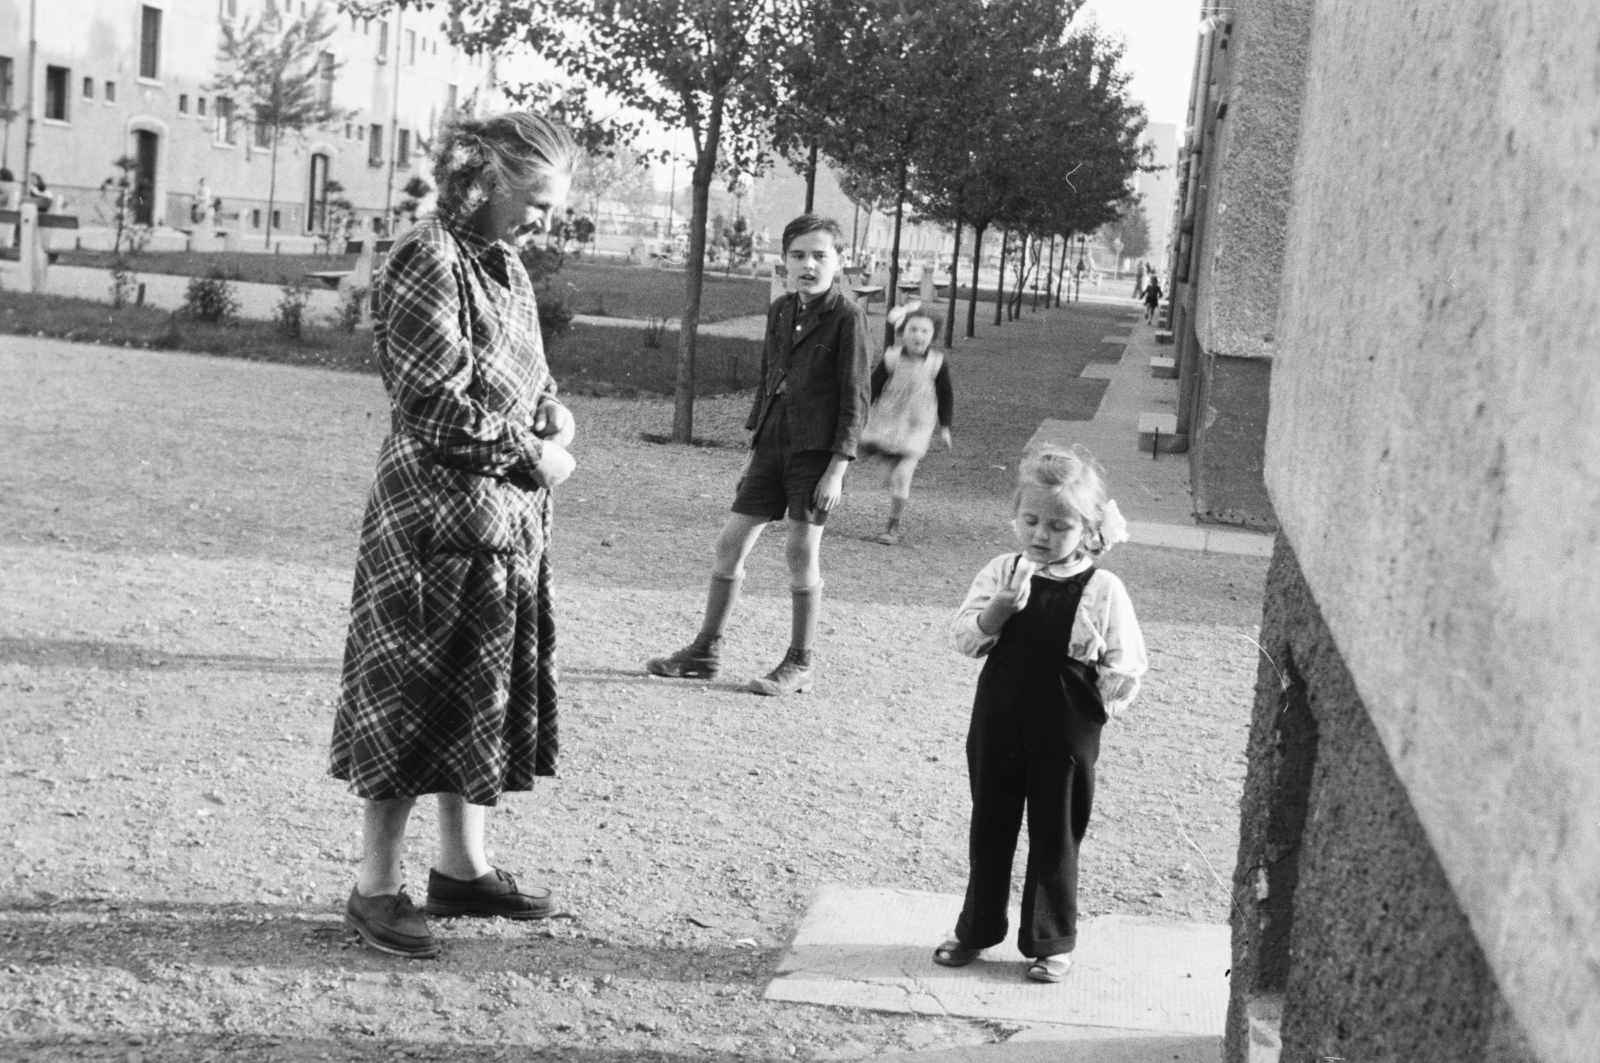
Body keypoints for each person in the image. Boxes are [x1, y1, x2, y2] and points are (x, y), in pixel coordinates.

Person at [329, 111, 581, 960]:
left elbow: (529, 377)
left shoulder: (502, 262)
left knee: (472, 687)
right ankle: (374, 888)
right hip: (433, 518)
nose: (546, 221)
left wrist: (552, 412)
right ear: (484, 179)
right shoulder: (424, 255)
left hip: (498, 517)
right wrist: (532, 453)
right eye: (536, 201)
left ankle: (462, 868)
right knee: (412, 689)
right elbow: (432, 403)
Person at [934, 446, 1146, 983]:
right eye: (1031, 520)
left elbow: (1126, 664)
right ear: (1016, 518)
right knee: (991, 822)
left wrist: (1097, 704)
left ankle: (1051, 940)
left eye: (1059, 525)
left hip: (1065, 725)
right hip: (999, 717)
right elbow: (964, 639)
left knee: (1056, 830)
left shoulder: (1103, 589)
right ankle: (976, 928)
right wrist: (999, 611)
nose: (1041, 534)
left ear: (1089, 529)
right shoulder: (1001, 571)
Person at [646, 212, 870, 696]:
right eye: (798, 256)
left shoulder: (847, 317)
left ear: (841, 262)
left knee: (799, 550)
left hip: (815, 452)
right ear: (783, 261)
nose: (808, 265)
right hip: (772, 443)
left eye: (820, 256)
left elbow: (857, 400)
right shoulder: (782, 310)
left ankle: (800, 661)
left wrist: (837, 469)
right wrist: (754, 447)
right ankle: (705, 650)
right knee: (730, 544)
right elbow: (769, 379)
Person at [859, 301, 954, 545]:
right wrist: (861, 411)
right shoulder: (891, 358)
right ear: (902, 334)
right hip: (887, 419)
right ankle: (880, 453)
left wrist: (945, 427)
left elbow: (945, 395)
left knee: (902, 474)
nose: (918, 336)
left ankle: (893, 525)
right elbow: (874, 386)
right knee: (868, 456)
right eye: (912, 330)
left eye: (925, 331)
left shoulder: (937, 363)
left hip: (917, 425)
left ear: (933, 336)